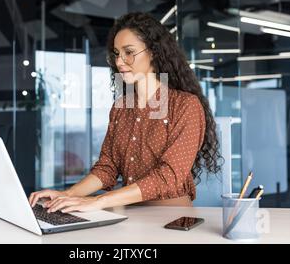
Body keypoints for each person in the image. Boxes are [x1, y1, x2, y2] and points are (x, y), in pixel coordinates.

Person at [29, 12, 222, 213]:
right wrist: (69, 195)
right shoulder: (122, 107)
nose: (119, 62)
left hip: (171, 216)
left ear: (154, 52)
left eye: (129, 52)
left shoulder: (185, 105)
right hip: (130, 213)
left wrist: (99, 201)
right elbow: (107, 167)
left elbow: (169, 176)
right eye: (116, 54)